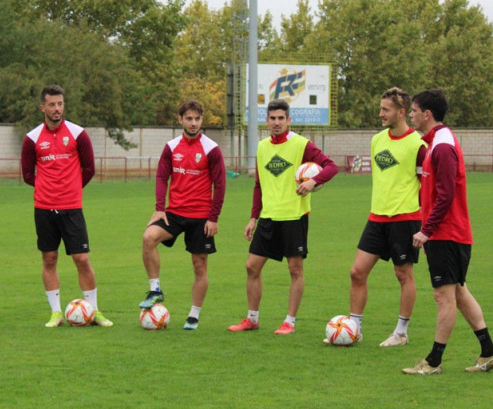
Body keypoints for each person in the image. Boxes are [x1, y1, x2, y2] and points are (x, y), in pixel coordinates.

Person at [402, 89, 493, 374]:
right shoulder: (435, 143)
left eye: (413, 110)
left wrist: (426, 230)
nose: (411, 115)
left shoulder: (441, 146)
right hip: (449, 233)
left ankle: (433, 361)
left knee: (444, 295)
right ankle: (489, 352)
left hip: (447, 233)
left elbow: (447, 194)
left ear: (427, 114)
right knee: (460, 293)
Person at [228, 99, 338, 335]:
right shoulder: (262, 147)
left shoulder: (301, 144)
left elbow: (331, 167)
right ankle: (252, 319)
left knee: (295, 270)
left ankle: (289, 321)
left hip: (294, 216)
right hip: (268, 217)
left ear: (289, 120)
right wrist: (252, 218)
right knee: (251, 267)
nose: (276, 123)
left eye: (281, 118)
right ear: (266, 121)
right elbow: (258, 185)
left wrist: (312, 181)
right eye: (272, 118)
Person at [332, 87, 426, 346]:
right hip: (376, 218)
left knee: (403, 274)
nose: (380, 113)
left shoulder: (418, 145)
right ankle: (354, 329)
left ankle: (401, 333)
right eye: (381, 108)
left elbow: (425, 186)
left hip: (405, 219)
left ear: (401, 112)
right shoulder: (377, 140)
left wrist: (425, 225)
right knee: (357, 272)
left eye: (385, 109)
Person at [21, 84, 113, 328]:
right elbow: (27, 174)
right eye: (52, 104)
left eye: (60, 104)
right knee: (49, 259)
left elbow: (89, 168)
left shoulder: (77, 134)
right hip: (43, 208)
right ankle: (56, 313)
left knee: (81, 258)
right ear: (42, 107)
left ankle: (93, 310)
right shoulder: (31, 139)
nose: (57, 109)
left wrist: (70, 189)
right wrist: (47, 189)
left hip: (72, 207)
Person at [138, 99, 226, 330]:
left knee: (199, 266)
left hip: (201, 217)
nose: (193, 123)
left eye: (197, 119)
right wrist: (159, 207)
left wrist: (213, 218)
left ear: (201, 120)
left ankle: (194, 315)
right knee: (148, 238)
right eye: (189, 118)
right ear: (180, 120)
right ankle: (155, 290)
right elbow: (161, 177)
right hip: (173, 214)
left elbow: (220, 184)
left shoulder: (211, 149)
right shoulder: (171, 147)